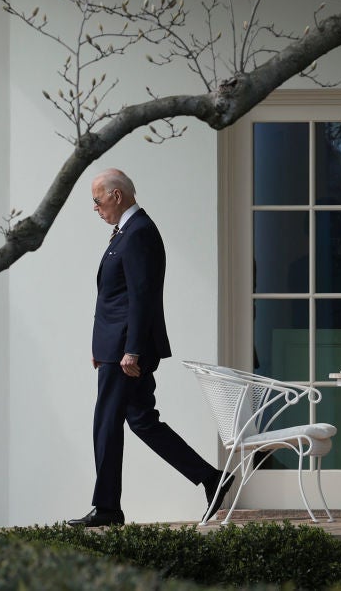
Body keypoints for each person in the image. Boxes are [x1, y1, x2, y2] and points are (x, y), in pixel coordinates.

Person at [67, 168, 234, 527]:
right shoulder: (128, 232)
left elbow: (142, 297)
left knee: (106, 423)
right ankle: (211, 477)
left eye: (97, 201)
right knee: (142, 420)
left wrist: (131, 349)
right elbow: (119, 295)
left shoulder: (139, 232)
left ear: (116, 196)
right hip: (117, 347)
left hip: (127, 352)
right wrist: (105, 344)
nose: (95, 209)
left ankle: (108, 508)